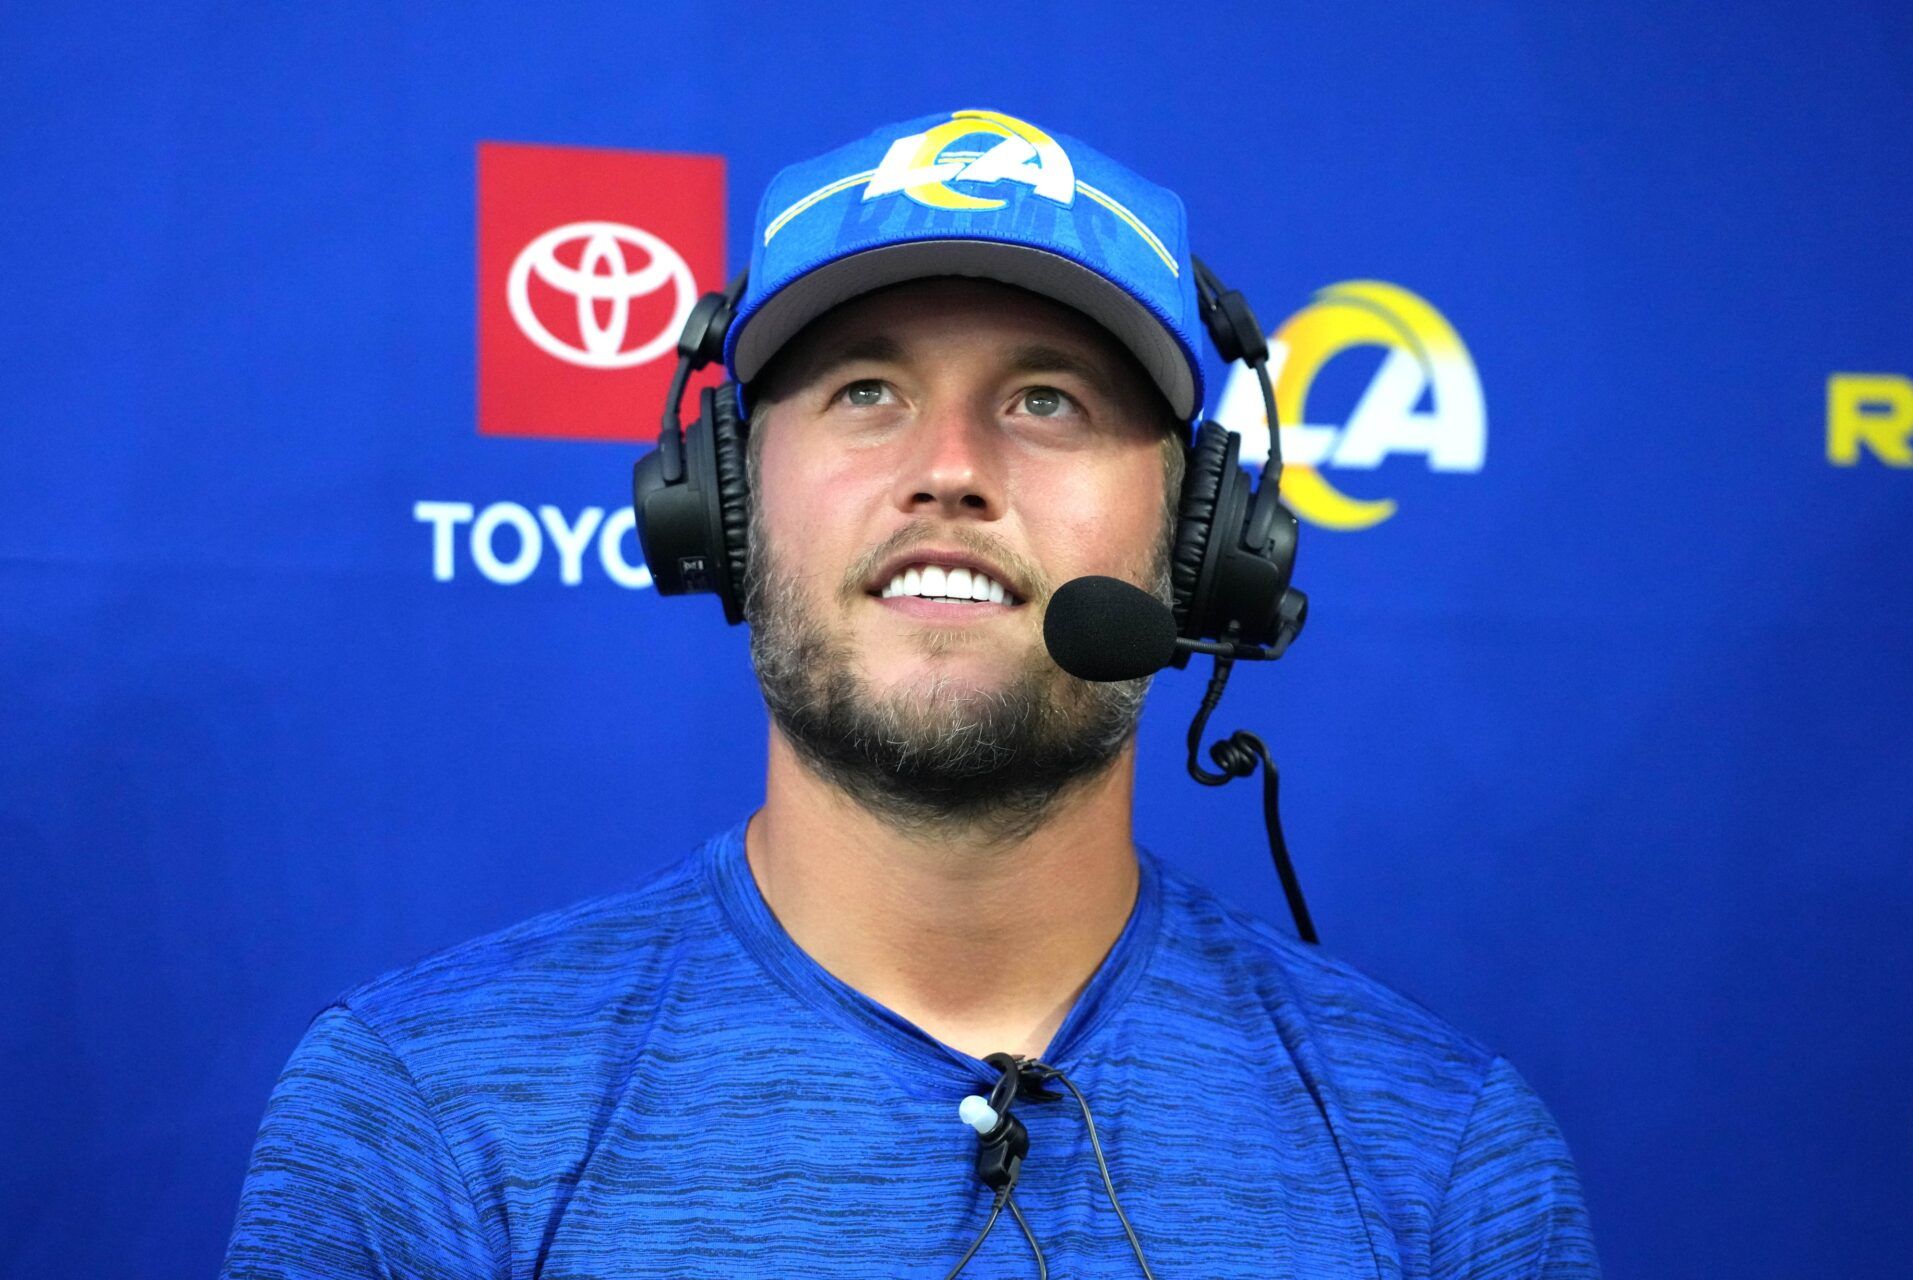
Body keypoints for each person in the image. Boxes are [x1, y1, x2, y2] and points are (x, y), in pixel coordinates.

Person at [221, 109, 1599, 1278]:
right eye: (866, 388)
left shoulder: (1441, 1155)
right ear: (725, 507)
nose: (949, 465)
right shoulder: (426, 1116)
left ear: (1204, 546)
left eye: (1049, 399)